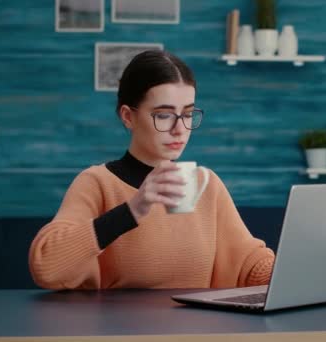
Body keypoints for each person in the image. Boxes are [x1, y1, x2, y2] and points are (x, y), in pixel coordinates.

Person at [29, 50, 275, 290]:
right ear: (128, 117)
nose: (180, 129)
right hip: (120, 330)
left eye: (188, 114)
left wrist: (290, 272)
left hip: (199, 330)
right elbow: (46, 268)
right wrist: (133, 210)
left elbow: (249, 264)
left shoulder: (206, 184)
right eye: (164, 115)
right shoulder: (97, 183)